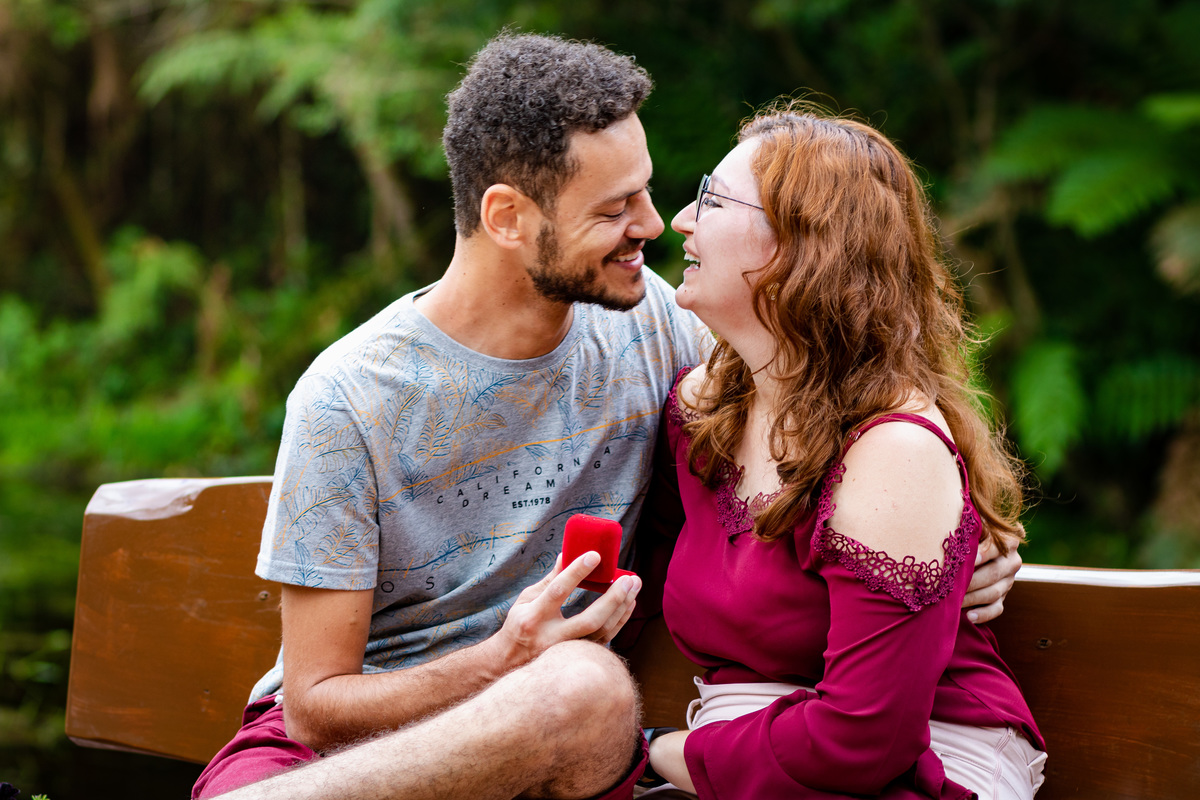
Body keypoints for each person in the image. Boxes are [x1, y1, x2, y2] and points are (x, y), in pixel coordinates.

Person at [195, 35, 1023, 800]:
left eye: (651, 190)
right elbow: (313, 708)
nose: (656, 226)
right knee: (574, 687)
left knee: (581, 687)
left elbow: (843, 399)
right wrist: (503, 660)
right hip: (346, 756)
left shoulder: (654, 326)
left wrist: (967, 540)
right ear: (507, 218)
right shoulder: (350, 399)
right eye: (614, 208)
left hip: (569, 740)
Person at [639, 107, 1047, 800]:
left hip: (920, 756)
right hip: (753, 750)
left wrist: (651, 752)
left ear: (804, 245)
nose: (680, 220)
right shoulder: (702, 410)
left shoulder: (893, 452)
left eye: (713, 199)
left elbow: (865, 742)